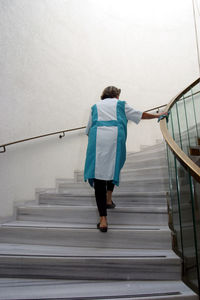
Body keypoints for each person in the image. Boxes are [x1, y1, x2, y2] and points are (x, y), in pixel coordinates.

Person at [84, 86, 166, 232]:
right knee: (113, 168)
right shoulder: (120, 104)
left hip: (97, 139)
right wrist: (157, 115)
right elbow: (139, 115)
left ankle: (103, 220)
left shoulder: (95, 107)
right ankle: (108, 198)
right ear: (116, 95)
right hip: (115, 138)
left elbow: (88, 130)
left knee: (98, 176)